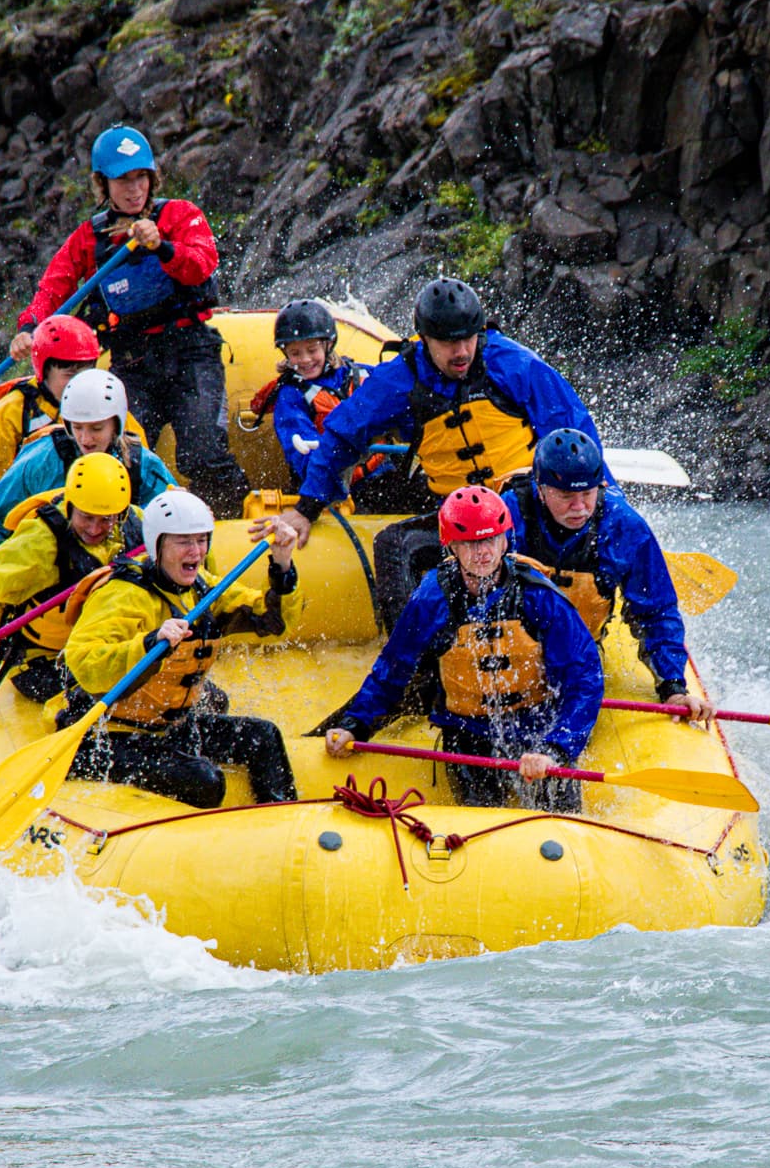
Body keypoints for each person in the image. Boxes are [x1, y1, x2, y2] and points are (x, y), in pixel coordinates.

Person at [267, 276, 610, 629]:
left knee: (598, 531)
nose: (460, 351)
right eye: (447, 343)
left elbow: (575, 435)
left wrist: (603, 498)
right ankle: (419, 669)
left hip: (528, 507)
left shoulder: (513, 364)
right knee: (393, 545)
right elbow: (342, 433)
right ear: (424, 339)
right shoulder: (400, 379)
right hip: (457, 517)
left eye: (467, 338)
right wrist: (308, 507)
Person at [11, 125, 249, 515]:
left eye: (142, 177)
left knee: (202, 453)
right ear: (103, 184)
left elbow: (201, 266)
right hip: (133, 362)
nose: (135, 189)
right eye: (123, 180)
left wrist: (163, 246)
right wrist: (28, 327)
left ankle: (228, 523)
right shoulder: (89, 238)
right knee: (123, 454)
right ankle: (131, 527)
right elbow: (54, 289)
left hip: (192, 354)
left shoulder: (179, 215)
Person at [323, 487, 603, 812]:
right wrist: (356, 723)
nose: (482, 552)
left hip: (538, 727)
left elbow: (585, 679)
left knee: (562, 810)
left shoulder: (539, 597)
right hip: (468, 733)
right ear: (452, 546)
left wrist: (557, 747)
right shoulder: (431, 599)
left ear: (504, 540)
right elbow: (393, 668)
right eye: (470, 542)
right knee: (479, 817)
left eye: (489, 540)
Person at [61, 490, 303, 809]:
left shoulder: (201, 588)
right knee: (205, 780)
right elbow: (83, 663)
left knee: (264, 737)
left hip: (167, 728)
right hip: (106, 737)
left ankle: (283, 827)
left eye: (202, 540)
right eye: (183, 542)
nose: (196, 551)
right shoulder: (123, 594)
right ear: (157, 544)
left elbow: (273, 621)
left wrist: (283, 564)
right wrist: (149, 641)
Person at [502, 428, 716, 722]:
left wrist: (672, 686)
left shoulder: (623, 526)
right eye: (566, 495)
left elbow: (655, 612)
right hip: (510, 651)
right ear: (541, 489)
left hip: (579, 651)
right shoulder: (507, 515)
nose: (579, 507)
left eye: (587, 493)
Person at [0, 453, 142, 721]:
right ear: (70, 507)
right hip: (44, 662)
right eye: (86, 517)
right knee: (110, 685)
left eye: (106, 519)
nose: (94, 528)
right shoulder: (40, 543)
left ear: (121, 513)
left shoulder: (136, 526)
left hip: (106, 648)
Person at [0, 370, 176, 561]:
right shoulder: (43, 460)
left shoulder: (141, 464)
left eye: (96, 428)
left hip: (116, 568)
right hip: (49, 564)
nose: (85, 439)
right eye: (77, 427)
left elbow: (173, 521)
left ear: (116, 425)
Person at [246, 298, 407, 510]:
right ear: (286, 353)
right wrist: (325, 485)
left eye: (312, 350)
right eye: (295, 353)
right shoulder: (291, 396)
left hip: (380, 475)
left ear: (328, 345)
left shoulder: (359, 373)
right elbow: (300, 450)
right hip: (330, 487)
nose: (305, 360)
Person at [0, 314, 101, 535]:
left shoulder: (108, 408)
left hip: (94, 521)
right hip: (28, 528)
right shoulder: (10, 414)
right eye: (70, 375)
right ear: (44, 373)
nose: (79, 384)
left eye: (86, 373)